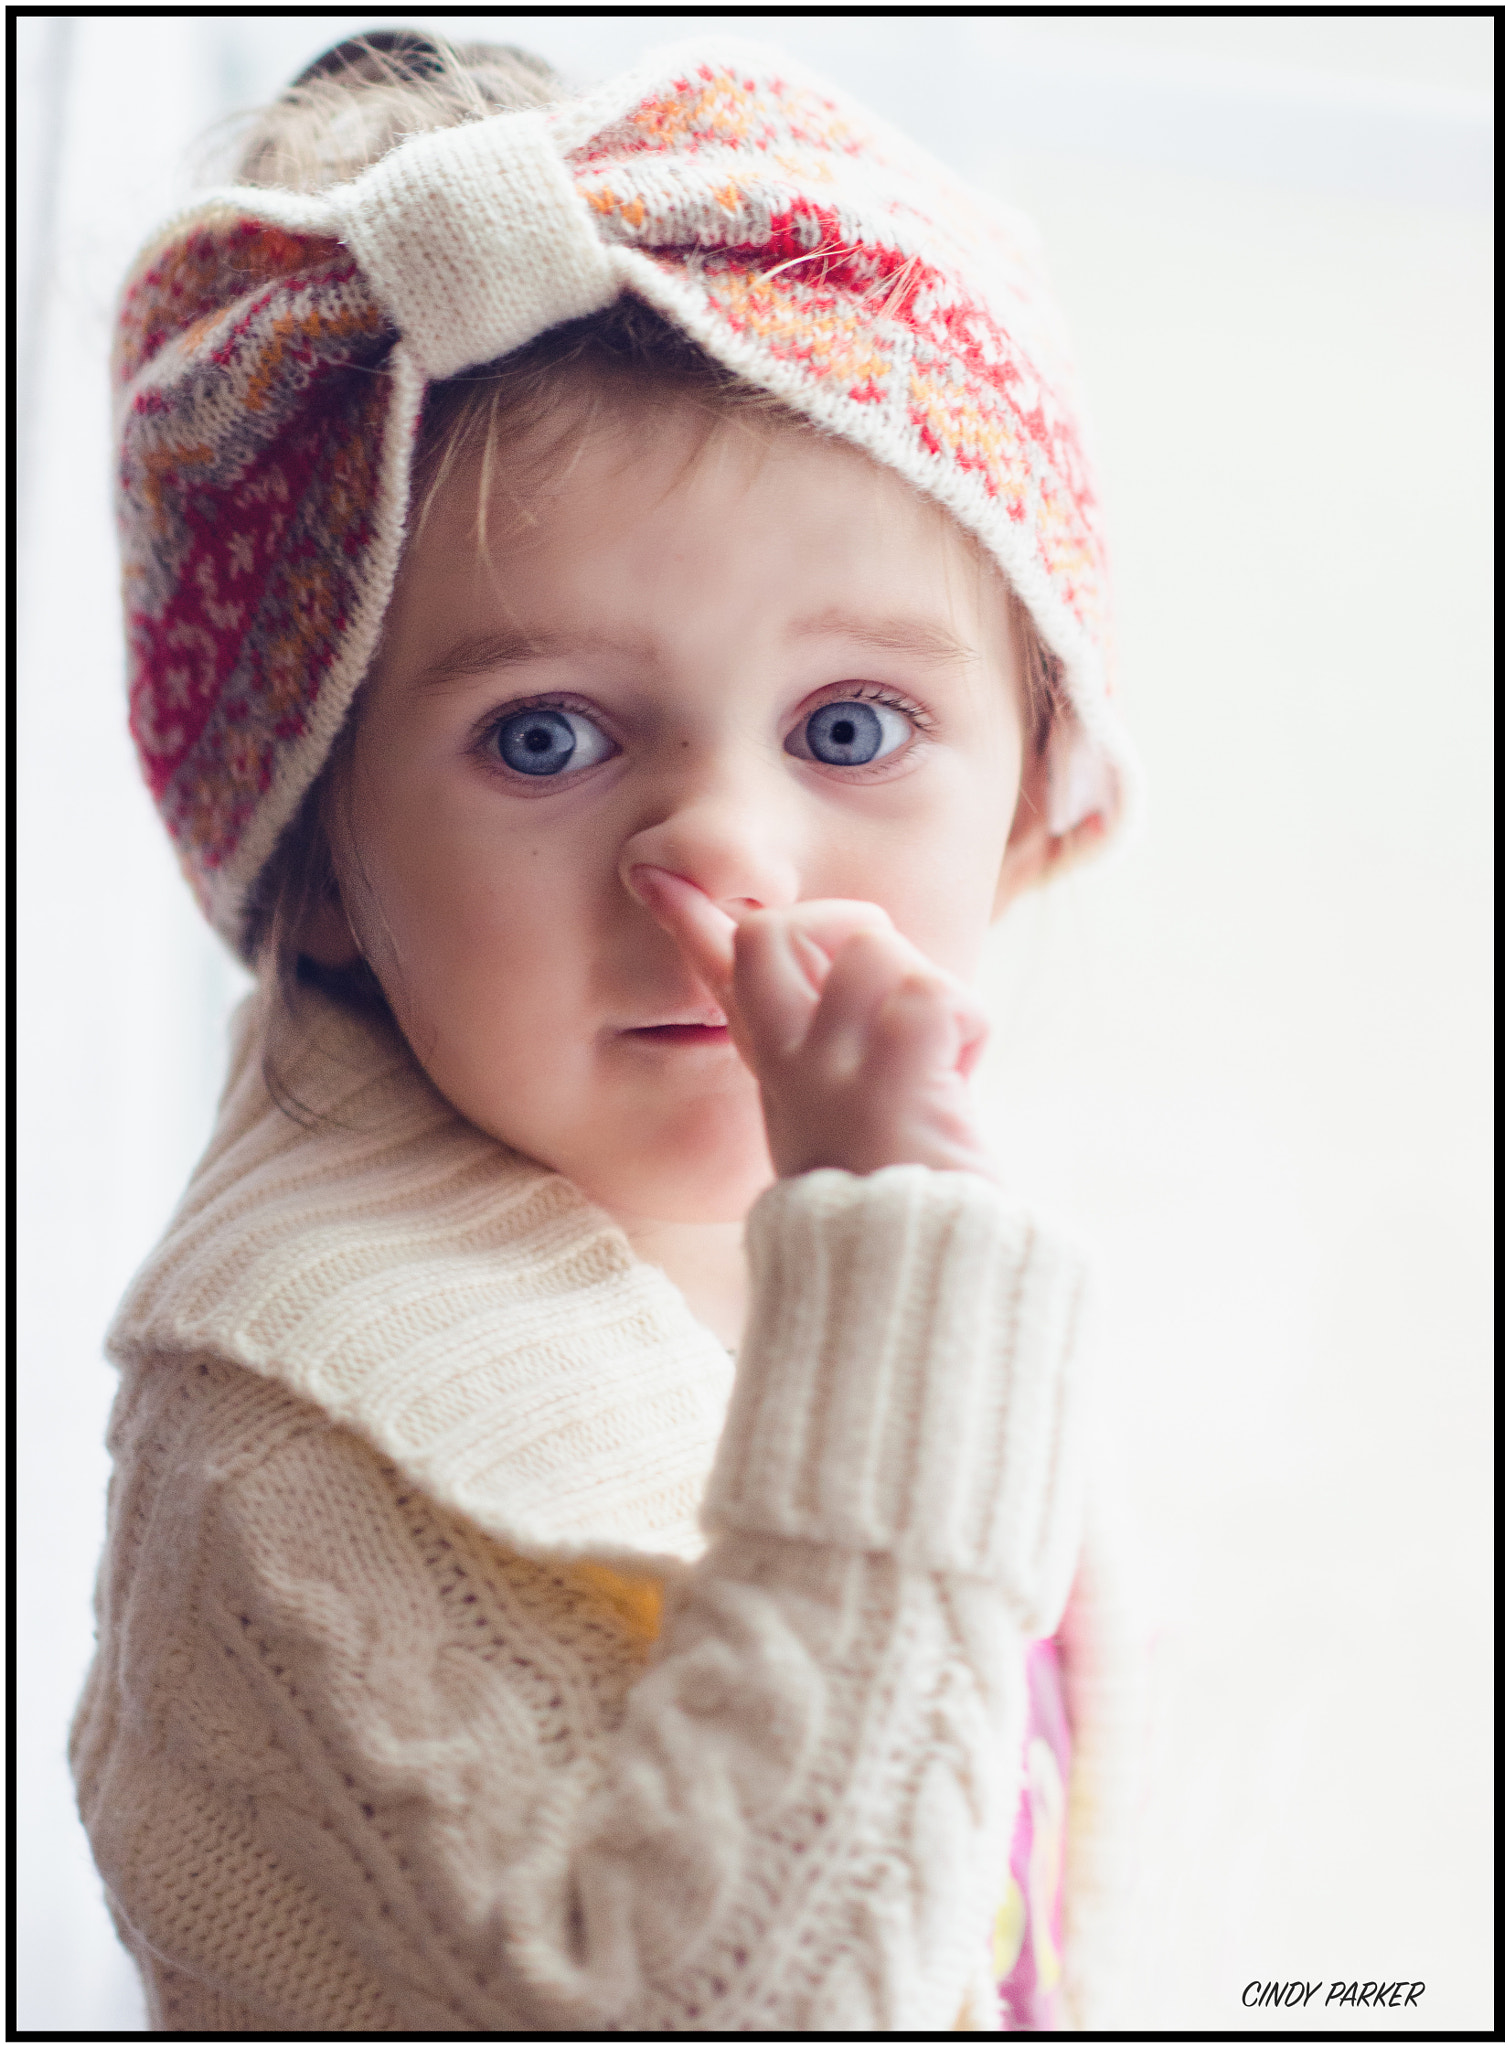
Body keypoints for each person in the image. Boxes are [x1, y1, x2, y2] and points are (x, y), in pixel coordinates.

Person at [72, 31, 1144, 2033]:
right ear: (314, 864)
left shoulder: (858, 1234)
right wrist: (905, 1276)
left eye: (849, 727)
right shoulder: (289, 1448)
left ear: (1033, 800)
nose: (724, 852)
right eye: (544, 737)